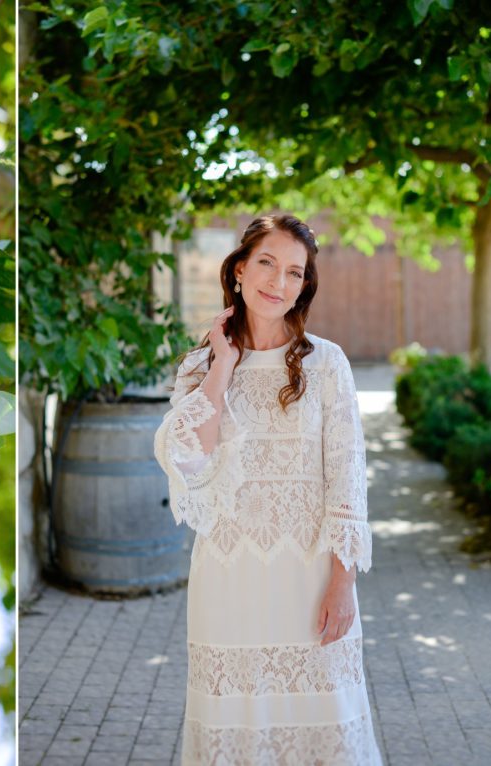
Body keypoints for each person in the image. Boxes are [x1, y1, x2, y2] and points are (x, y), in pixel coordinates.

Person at [154, 214, 383, 765]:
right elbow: (192, 454)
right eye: (266, 263)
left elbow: (347, 474)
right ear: (237, 271)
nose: (278, 282)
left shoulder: (327, 364)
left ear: (305, 286)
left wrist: (342, 582)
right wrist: (221, 365)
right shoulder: (199, 366)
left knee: (326, 717)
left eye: (294, 272)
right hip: (228, 578)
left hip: (309, 578)